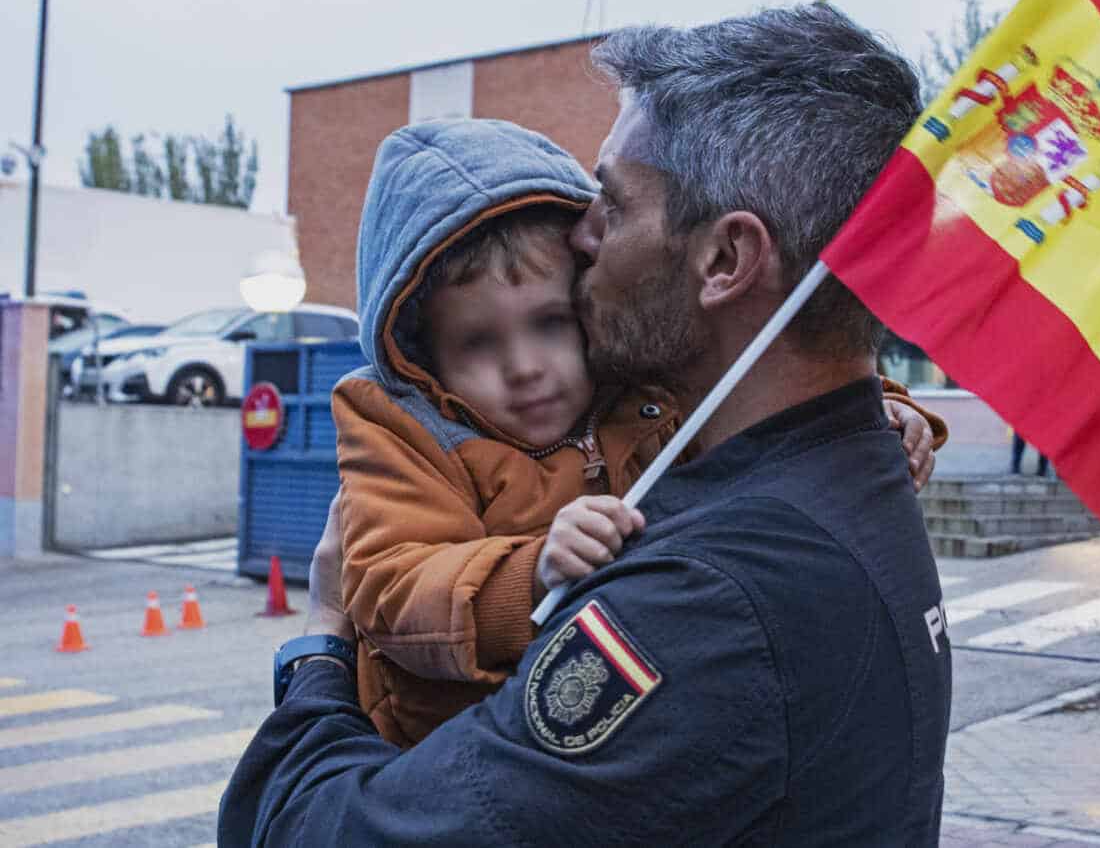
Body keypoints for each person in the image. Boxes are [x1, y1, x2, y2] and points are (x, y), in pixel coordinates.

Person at [220, 4, 953, 845]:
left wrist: (319, 645)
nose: (584, 234)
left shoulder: (702, 606)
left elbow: (310, 832)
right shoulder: (850, 467)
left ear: (723, 260)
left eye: (613, 201)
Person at [331, 118, 941, 747]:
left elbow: (752, 384)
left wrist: (882, 407)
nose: (526, 367)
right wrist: (532, 571)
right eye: (478, 343)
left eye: (550, 323)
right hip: (451, 748)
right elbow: (391, 585)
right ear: (421, 353)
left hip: (629, 719)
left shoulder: (636, 379)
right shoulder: (402, 425)